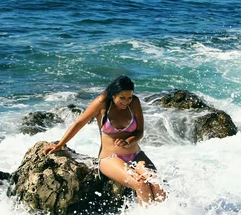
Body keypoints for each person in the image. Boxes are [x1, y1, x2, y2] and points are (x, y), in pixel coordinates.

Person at [43, 75, 166, 205]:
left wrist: (128, 141)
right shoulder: (102, 103)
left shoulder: (134, 102)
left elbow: (140, 132)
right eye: (122, 98)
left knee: (157, 185)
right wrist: (61, 144)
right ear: (113, 95)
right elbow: (79, 123)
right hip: (110, 158)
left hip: (136, 155)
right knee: (141, 184)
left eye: (129, 97)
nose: (126, 101)